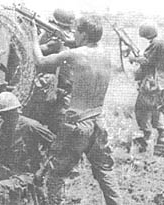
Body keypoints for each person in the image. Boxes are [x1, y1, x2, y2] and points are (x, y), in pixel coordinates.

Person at [31, 15, 121, 205]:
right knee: (105, 171)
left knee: (56, 173)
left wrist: (35, 36)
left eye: (77, 31)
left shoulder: (73, 55)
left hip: (76, 124)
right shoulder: (106, 53)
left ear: (84, 34)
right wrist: (65, 39)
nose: (74, 34)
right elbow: (80, 45)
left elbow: (40, 61)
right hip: (98, 120)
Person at [24, 8, 76, 134]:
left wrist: (35, 34)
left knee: (50, 130)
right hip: (65, 94)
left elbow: (36, 52)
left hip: (58, 96)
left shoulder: (59, 41)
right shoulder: (72, 38)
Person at [128, 21, 164, 156]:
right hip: (160, 81)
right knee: (156, 110)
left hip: (152, 82)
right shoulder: (160, 41)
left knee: (141, 109)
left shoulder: (156, 43)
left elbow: (146, 61)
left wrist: (133, 58)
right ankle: (162, 141)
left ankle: (147, 138)